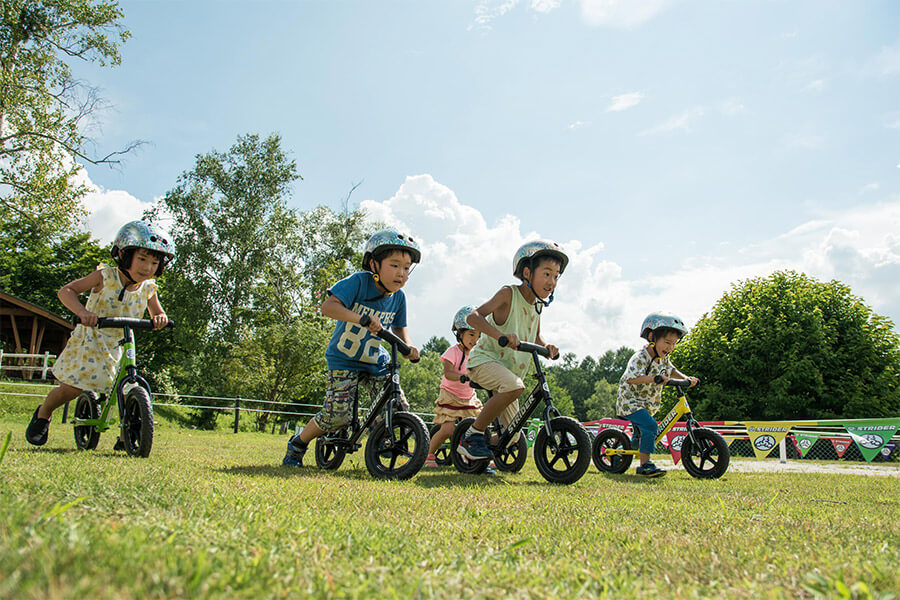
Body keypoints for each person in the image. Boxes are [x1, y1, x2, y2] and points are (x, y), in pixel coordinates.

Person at [25, 221, 173, 447]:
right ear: (124, 255)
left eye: (154, 262)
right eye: (142, 259)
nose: (148, 267)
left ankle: (126, 437)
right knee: (71, 389)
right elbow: (66, 291)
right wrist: (83, 312)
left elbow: (157, 312)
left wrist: (160, 318)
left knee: (129, 388)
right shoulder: (105, 277)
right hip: (91, 341)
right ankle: (43, 413)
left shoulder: (148, 288)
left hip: (121, 344)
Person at [283, 229, 421, 467]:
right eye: (394, 265)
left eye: (407, 268)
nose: (401, 273)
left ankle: (383, 438)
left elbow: (400, 328)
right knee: (337, 416)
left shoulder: (399, 298)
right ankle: (298, 443)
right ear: (373, 264)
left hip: (375, 359)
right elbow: (328, 307)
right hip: (344, 359)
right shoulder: (358, 282)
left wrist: (408, 346)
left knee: (396, 403)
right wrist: (361, 318)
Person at [456, 240, 566, 460]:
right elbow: (473, 317)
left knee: (513, 435)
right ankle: (472, 435)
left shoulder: (537, 306)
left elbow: (535, 335)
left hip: (509, 373)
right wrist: (501, 336)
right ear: (527, 272)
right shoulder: (509, 294)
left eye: (556, 276)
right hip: (483, 362)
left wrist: (546, 346)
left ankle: (483, 448)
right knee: (515, 387)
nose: (552, 281)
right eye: (546, 274)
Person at [617, 312, 699, 477]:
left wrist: (686, 379)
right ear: (652, 337)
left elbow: (672, 371)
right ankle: (644, 465)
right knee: (651, 426)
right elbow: (632, 379)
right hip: (631, 403)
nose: (670, 348)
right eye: (667, 342)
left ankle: (618, 455)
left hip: (647, 404)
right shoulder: (640, 357)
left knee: (639, 437)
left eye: (674, 344)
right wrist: (654, 378)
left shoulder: (663, 359)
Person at [424, 306, 483, 469]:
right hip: (450, 394)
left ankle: (472, 457)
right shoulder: (453, 352)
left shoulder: (476, 354)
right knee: (448, 429)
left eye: (478, 336)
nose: (475, 340)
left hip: (468, 397)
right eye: (471, 334)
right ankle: (428, 454)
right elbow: (448, 373)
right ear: (459, 333)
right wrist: (462, 377)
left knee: (473, 429)